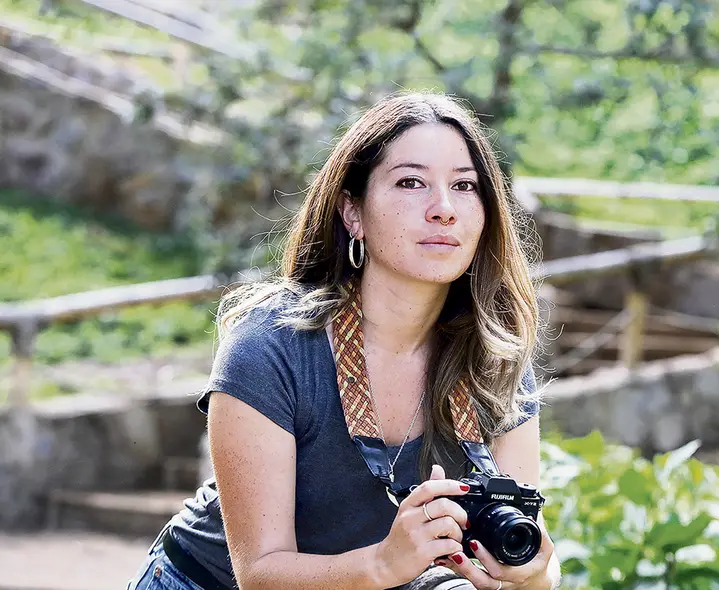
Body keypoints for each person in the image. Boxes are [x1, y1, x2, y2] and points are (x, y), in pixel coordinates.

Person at [127, 92, 560, 590]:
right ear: (353, 212)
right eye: (411, 182)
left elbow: (530, 543)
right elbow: (259, 573)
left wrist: (530, 577)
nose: (443, 209)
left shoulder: (495, 357)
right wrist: (383, 563)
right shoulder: (272, 346)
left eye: (465, 186)